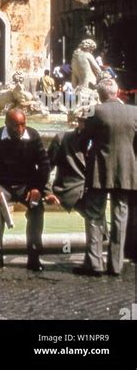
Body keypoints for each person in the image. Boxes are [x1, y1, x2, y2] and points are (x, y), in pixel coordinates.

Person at [73, 77, 137, 277]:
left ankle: (94, 263)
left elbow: (82, 138)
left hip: (100, 169)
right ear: (117, 92)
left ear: (100, 95)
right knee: (120, 215)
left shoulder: (96, 111)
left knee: (94, 215)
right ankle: (116, 265)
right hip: (126, 169)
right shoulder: (134, 111)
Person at [0, 108, 50, 271]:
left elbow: (44, 165)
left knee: (37, 209)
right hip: (2, 185)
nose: (20, 129)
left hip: (26, 185)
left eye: (23, 124)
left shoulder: (33, 136)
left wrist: (38, 188)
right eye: (15, 126)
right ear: (6, 124)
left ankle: (34, 255)